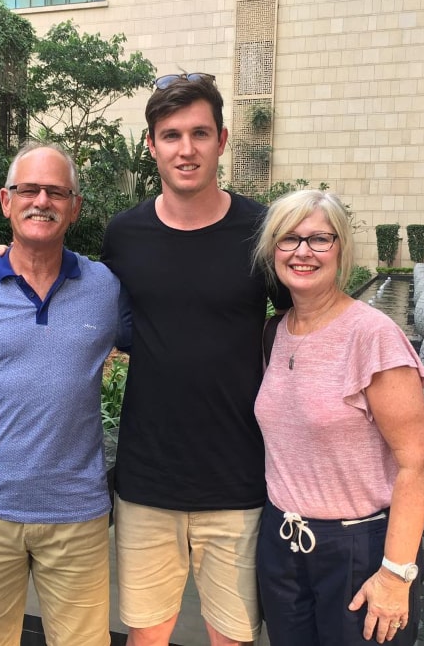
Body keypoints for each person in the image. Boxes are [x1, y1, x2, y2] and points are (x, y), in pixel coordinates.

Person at [101, 73, 291, 646]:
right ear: (152, 144)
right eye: (171, 135)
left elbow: (301, 321)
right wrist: (4, 264)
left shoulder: (261, 229)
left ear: (223, 140)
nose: (186, 149)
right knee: (146, 636)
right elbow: (81, 298)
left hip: (237, 476)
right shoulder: (125, 234)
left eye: (200, 134)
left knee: (231, 637)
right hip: (147, 477)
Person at [0, 142, 128, 646]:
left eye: (56, 191)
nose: (42, 200)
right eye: (29, 189)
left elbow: (166, 339)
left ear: (74, 206)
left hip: (77, 518)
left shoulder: (106, 287)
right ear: (5, 200)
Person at [252, 188, 424, 646]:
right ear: (273, 250)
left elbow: (416, 461)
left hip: (358, 551)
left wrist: (396, 574)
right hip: (283, 544)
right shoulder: (277, 332)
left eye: (319, 239)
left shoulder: (373, 337)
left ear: (341, 249)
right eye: (289, 239)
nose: (303, 252)